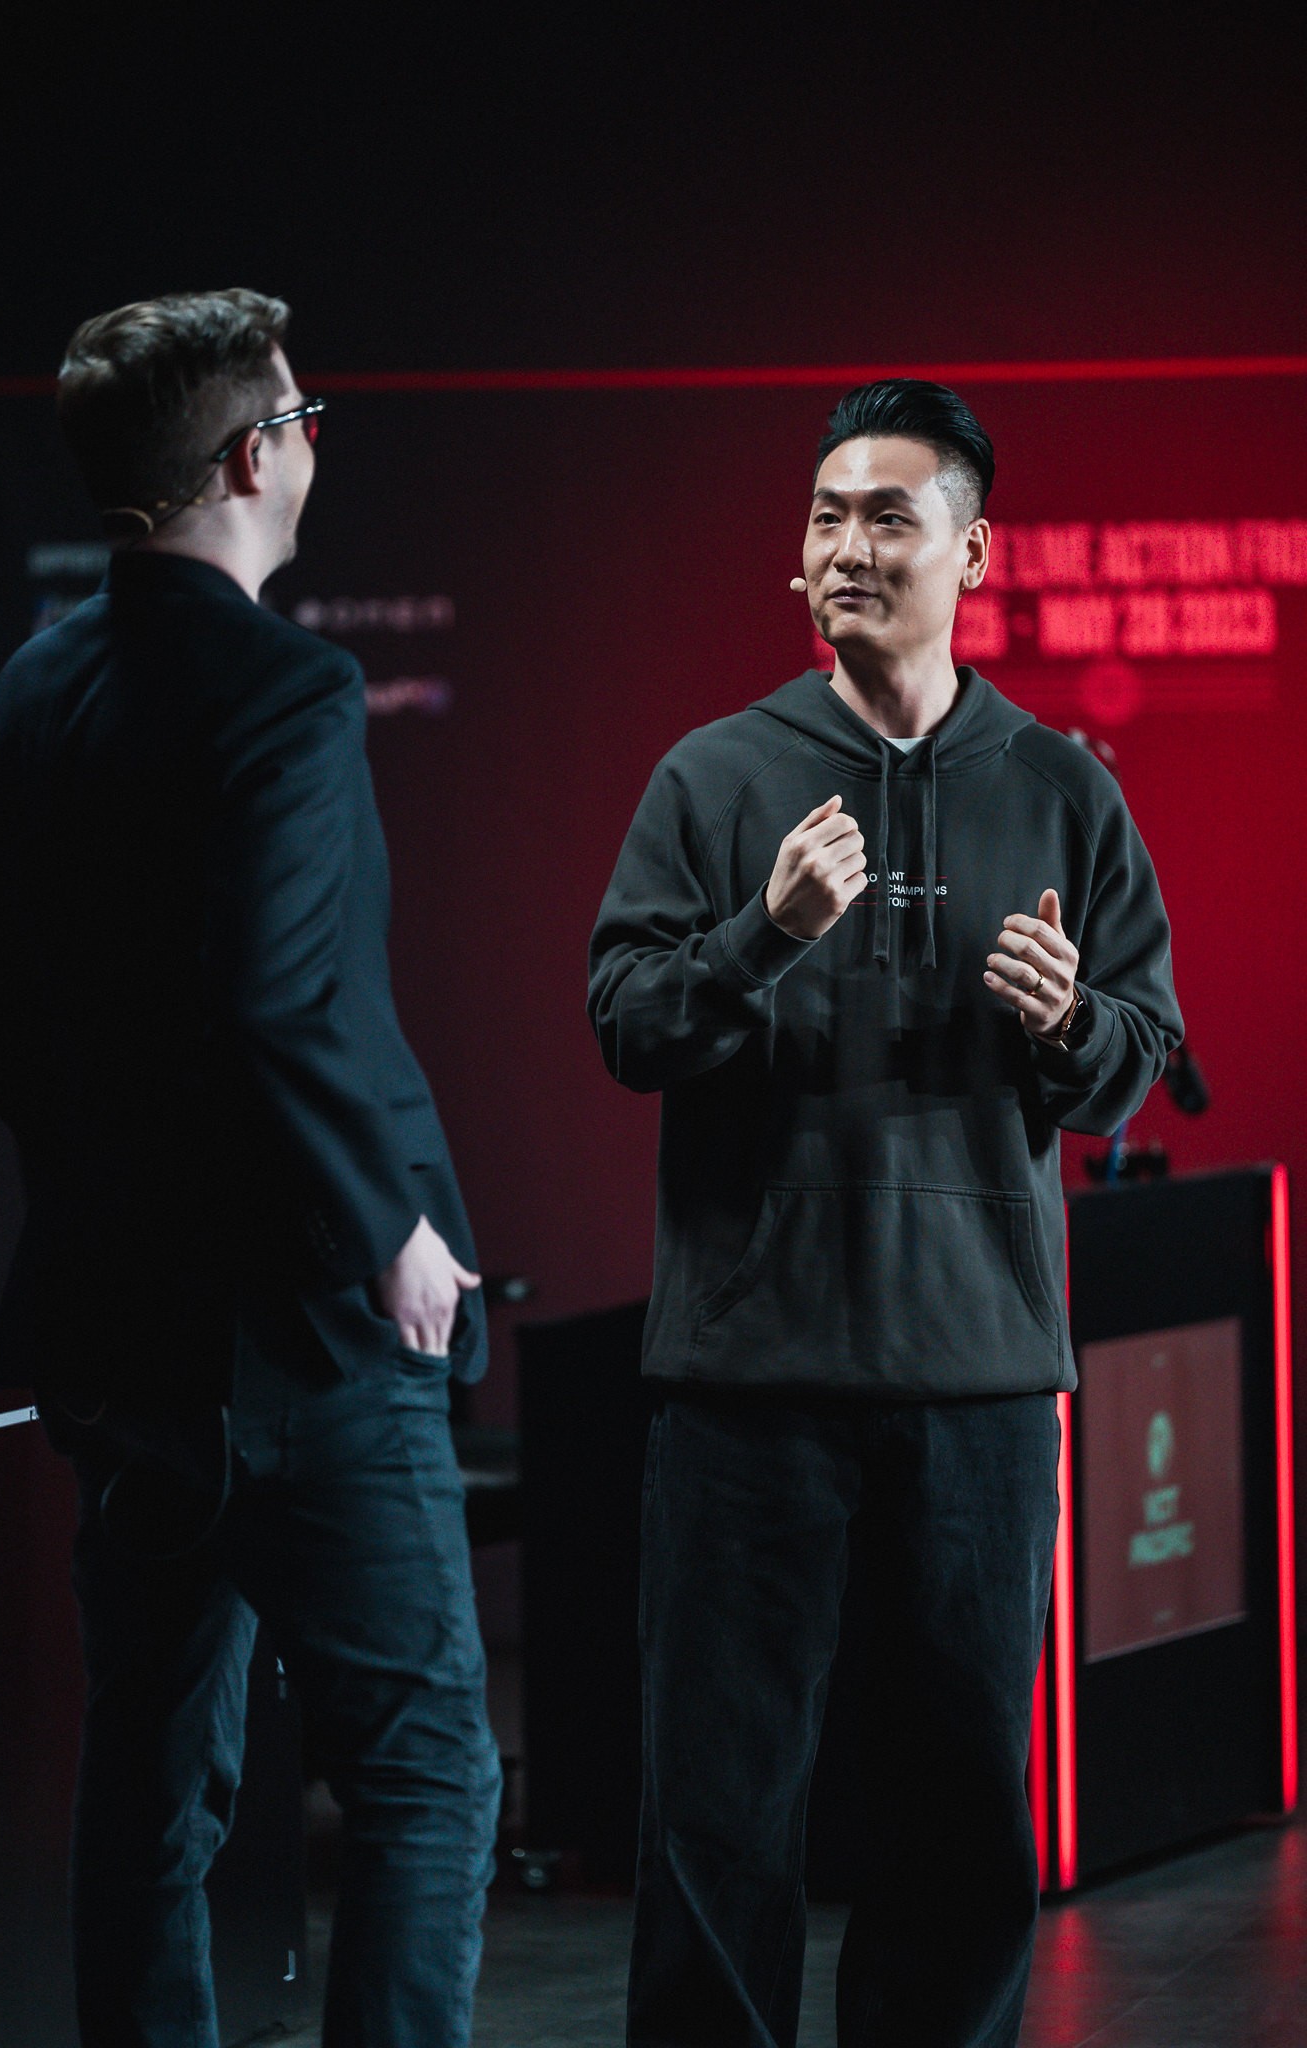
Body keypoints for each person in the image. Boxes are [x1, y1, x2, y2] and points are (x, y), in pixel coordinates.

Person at [588, 379, 1182, 2048]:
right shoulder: (714, 777)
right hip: (746, 1387)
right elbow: (627, 1025)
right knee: (717, 1818)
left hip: (978, 1385)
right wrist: (762, 936)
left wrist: (1071, 1022)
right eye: (826, 517)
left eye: (889, 517)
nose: (848, 546)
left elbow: (1139, 1056)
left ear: (973, 552)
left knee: (960, 1827)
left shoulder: (1061, 789)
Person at [0, 289, 500, 2048]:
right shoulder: (291, 689)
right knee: (425, 1773)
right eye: (303, 415)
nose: (315, 441)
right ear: (253, 458)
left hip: (114, 1335)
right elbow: (283, 1002)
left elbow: (1, 1027)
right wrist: (388, 1227)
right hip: (304, 1333)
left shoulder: (26, 693)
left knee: (150, 1776)